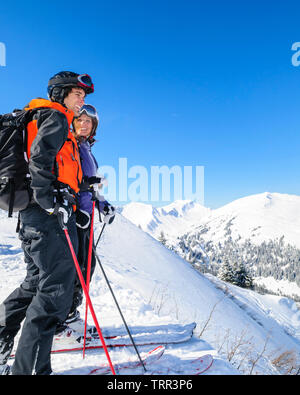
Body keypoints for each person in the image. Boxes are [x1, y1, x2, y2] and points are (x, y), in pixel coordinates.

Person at [0, 71, 94, 375]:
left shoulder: (42, 117)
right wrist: (51, 202)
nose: (81, 100)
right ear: (61, 94)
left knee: (35, 283)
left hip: (31, 216)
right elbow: (40, 161)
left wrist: (64, 199)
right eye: (77, 94)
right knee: (55, 289)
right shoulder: (54, 116)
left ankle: (2, 342)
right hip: (44, 217)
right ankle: (30, 371)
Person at [55, 104, 115, 339]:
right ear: (73, 123)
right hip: (75, 215)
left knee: (85, 267)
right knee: (75, 269)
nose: (83, 124)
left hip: (86, 215)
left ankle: (69, 314)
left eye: (88, 122)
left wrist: (102, 204)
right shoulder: (70, 146)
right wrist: (77, 209)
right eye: (79, 120)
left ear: (94, 127)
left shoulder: (87, 150)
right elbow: (72, 182)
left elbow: (91, 186)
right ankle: (60, 323)